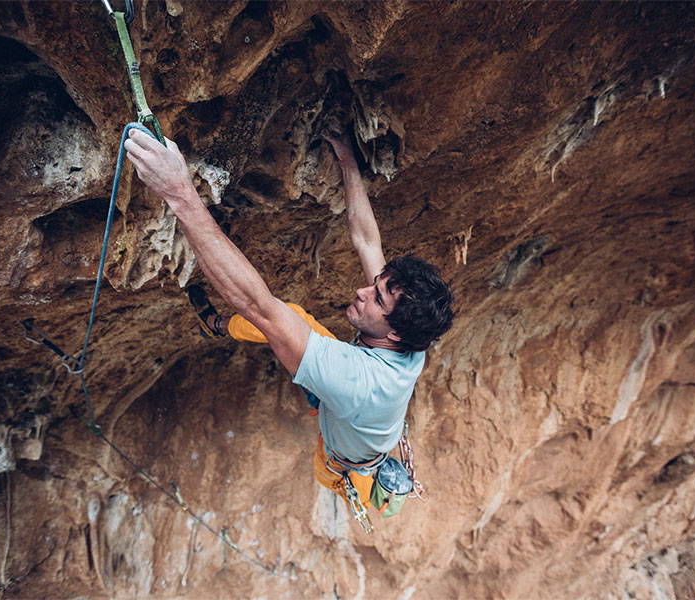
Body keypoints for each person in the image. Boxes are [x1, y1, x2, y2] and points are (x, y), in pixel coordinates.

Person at [124, 125, 454, 522]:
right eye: (377, 286)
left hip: (340, 458)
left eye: (376, 298)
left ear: (397, 333)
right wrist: (348, 159)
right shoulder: (408, 330)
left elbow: (256, 304)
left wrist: (178, 191)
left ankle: (214, 324)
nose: (363, 291)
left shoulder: (354, 379)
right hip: (355, 412)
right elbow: (368, 241)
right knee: (296, 321)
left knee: (281, 320)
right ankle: (226, 331)